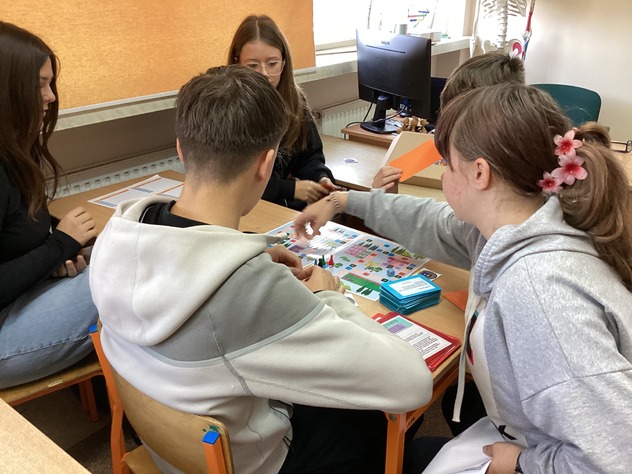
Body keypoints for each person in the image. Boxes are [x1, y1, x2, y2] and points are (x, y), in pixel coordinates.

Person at [89, 65, 433, 474]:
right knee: (384, 417)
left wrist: (250, 253)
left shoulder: (120, 233)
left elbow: (187, 260)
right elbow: (413, 384)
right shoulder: (248, 291)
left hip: (168, 444)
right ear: (266, 164)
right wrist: (329, 297)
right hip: (251, 462)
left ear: (181, 149)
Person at [294, 83, 632, 473]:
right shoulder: (520, 222)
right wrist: (343, 200)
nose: (443, 173)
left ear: (479, 172)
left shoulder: (538, 291)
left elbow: (614, 458)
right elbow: (429, 220)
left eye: (447, 164)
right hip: (536, 436)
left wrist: (521, 463)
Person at [0, 22, 98, 389]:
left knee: (119, 257)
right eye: (40, 84)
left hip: (14, 304)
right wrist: (59, 245)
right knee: (122, 280)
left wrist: (50, 263)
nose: (51, 96)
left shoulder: (12, 154)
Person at [227, 14, 338, 210]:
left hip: (284, 208)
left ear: (284, 62)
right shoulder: (228, 108)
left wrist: (321, 178)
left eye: (272, 64)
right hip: (246, 209)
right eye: (252, 65)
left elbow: (309, 157)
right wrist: (289, 189)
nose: (264, 74)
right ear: (237, 63)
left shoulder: (294, 100)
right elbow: (235, 179)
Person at [372, 52, 525, 193]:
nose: (452, 128)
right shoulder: (437, 147)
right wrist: (385, 195)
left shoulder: (513, 168)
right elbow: (391, 182)